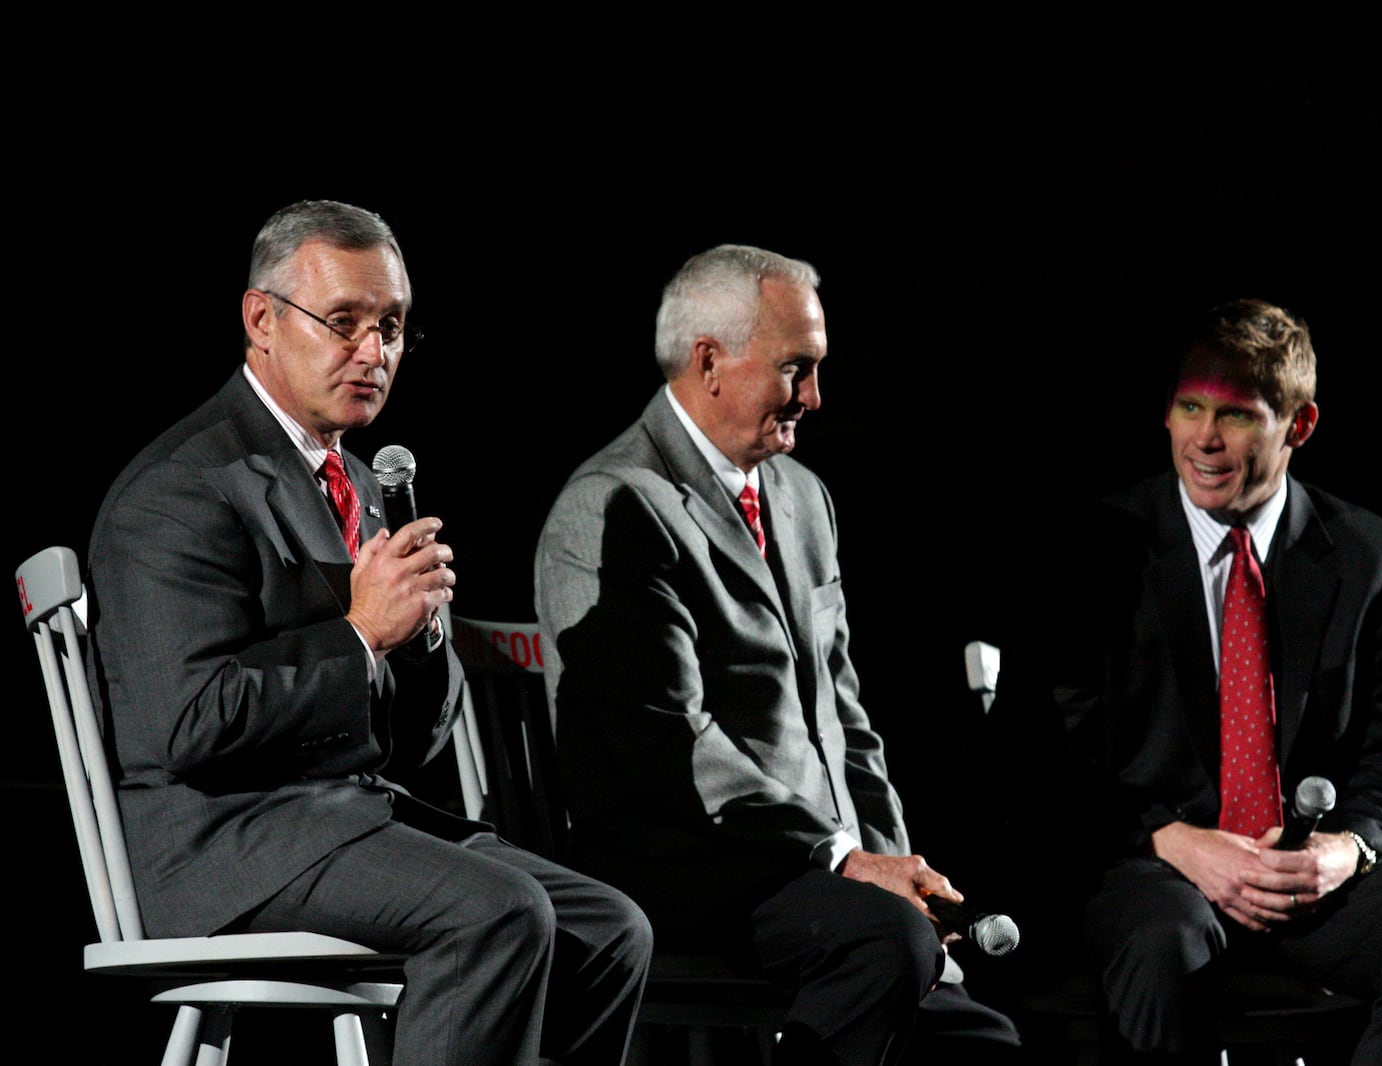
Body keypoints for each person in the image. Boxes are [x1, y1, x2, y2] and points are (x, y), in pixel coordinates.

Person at [86, 200, 650, 1066]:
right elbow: (186, 722)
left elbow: (410, 743)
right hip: (225, 848)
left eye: (390, 327)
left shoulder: (353, 478)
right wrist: (358, 634)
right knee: (496, 912)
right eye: (343, 323)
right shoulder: (183, 487)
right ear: (262, 320)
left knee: (609, 929)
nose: (373, 352)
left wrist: (417, 635)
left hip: (345, 820)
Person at [534, 245, 1020, 1065]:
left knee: (983, 1042)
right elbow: (667, 744)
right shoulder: (615, 502)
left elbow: (845, 718)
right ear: (710, 361)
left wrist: (898, 864)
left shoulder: (801, 496)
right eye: (797, 369)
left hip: (825, 877)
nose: (816, 397)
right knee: (885, 949)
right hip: (691, 867)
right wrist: (846, 858)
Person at [1012, 299, 1382, 1063]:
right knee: (1158, 945)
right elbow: (1054, 754)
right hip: (1162, 866)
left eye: (1238, 416)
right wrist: (1175, 840)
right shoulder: (1097, 550)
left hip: (1308, 875)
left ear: (1300, 426)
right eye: (1190, 408)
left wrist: (1345, 849)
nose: (1205, 440)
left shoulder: (1375, 559)